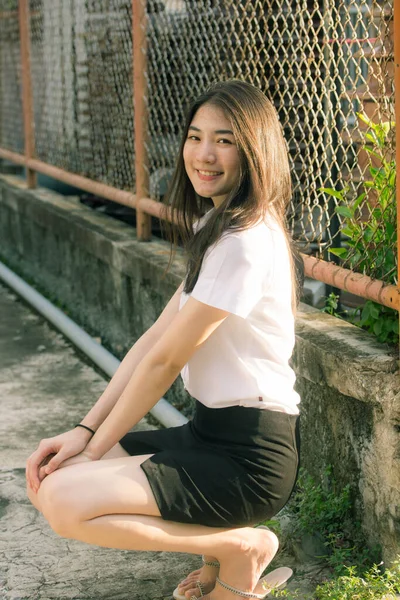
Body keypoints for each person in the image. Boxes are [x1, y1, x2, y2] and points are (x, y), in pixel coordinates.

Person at [26, 79, 301, 600]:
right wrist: (84, 434)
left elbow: (166, 362)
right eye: (195, 136)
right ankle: (225, 554)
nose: (204, 154)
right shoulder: (219, 228)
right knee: (54, 476)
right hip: (209, 435)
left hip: (250, 459)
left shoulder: (245, 243)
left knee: (63, 500)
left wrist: (93, 450)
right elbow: (153, 340)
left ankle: (239, 547)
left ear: (253, 149)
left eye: (224, 140)